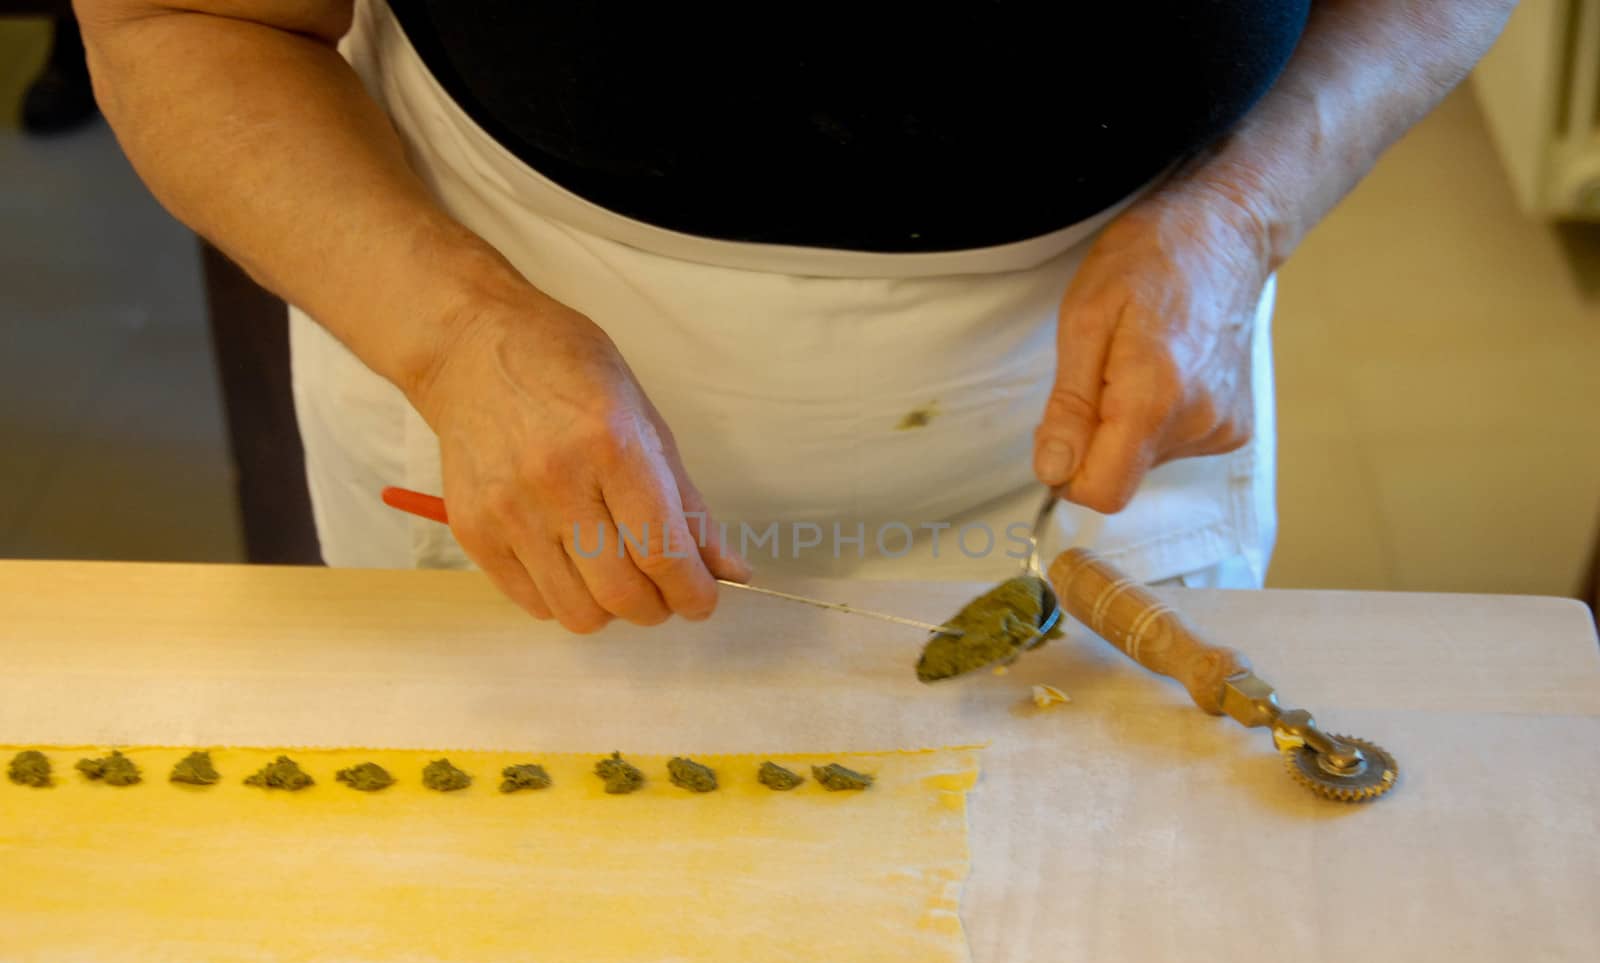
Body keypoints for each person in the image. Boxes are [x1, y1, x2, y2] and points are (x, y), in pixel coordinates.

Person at [77, 1, 1514, 633]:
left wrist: (1247, 213)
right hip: (506, 377)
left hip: (1112, 396)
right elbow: (181, 20)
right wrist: (457, 338)